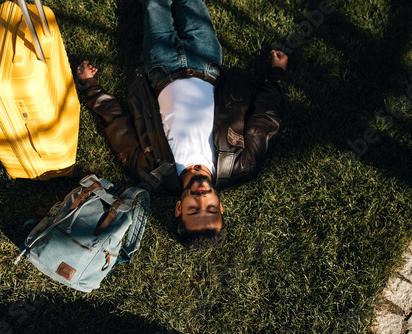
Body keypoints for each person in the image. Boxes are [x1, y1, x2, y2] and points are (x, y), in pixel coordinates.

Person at [76, 0, 288, 249]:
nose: (201, 199)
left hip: (160, 69)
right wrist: (278, 73)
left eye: (192, 209)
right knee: (193, 6)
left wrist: (91, 88)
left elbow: (118, 126)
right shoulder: (243, 165)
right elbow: (265, 117)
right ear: (220, 206)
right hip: (207, 64)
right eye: (210, 207)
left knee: (155, 9)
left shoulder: (152, 174)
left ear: (178, 208)